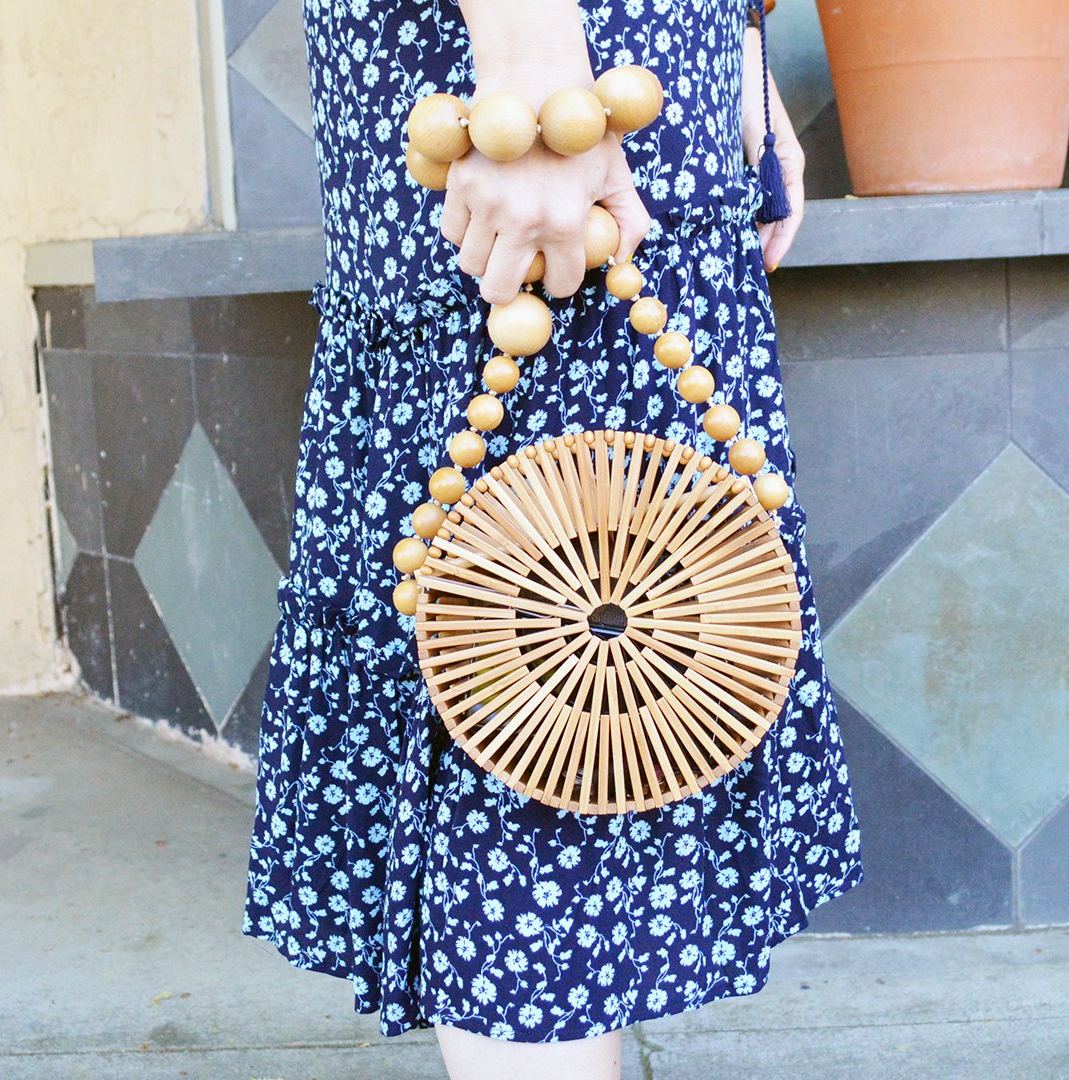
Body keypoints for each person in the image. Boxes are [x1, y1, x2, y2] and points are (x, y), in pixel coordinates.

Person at [243, 1, 862, 1077]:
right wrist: (532, 87)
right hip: (533, 95)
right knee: (519, 673)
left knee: (617, 686)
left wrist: (745, 57)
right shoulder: (537, 103)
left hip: (624, 82)